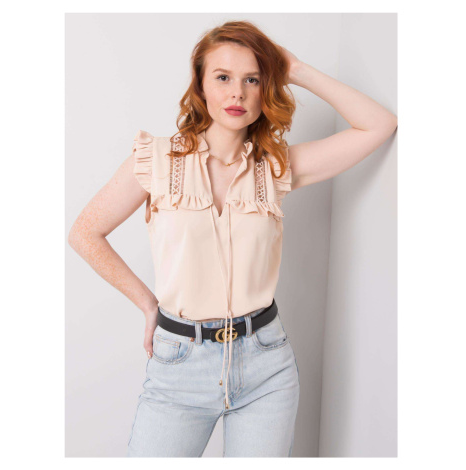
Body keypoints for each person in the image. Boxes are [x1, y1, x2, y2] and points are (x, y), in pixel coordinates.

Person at [68, 20, 398, 458]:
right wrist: (148, 304)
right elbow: (85, 233)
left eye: (252, 80)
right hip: (180, 365)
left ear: (266, 88)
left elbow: (379, 125)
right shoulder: (155, 161)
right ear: (201, 85)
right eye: (223, 77)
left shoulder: (276, 168)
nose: (237, 93)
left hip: (266, 366)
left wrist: (296, 69)